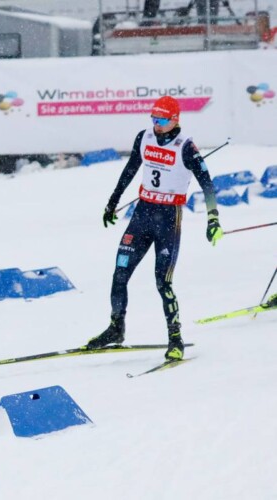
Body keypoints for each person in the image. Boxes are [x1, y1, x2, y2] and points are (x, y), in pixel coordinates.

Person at [85, 95, 222, 360]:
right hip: (143, 213)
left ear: (175, 119)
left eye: (161, 120)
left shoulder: (186, 147)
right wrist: (112, 203)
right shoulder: (144, 137)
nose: (156, 125)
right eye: (153, 118)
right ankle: (116, 328)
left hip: (169, 218)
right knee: (120, 272)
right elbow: (130, 170)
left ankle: (175, 339)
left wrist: (213, 217)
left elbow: (206, 182)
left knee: (163, 282)